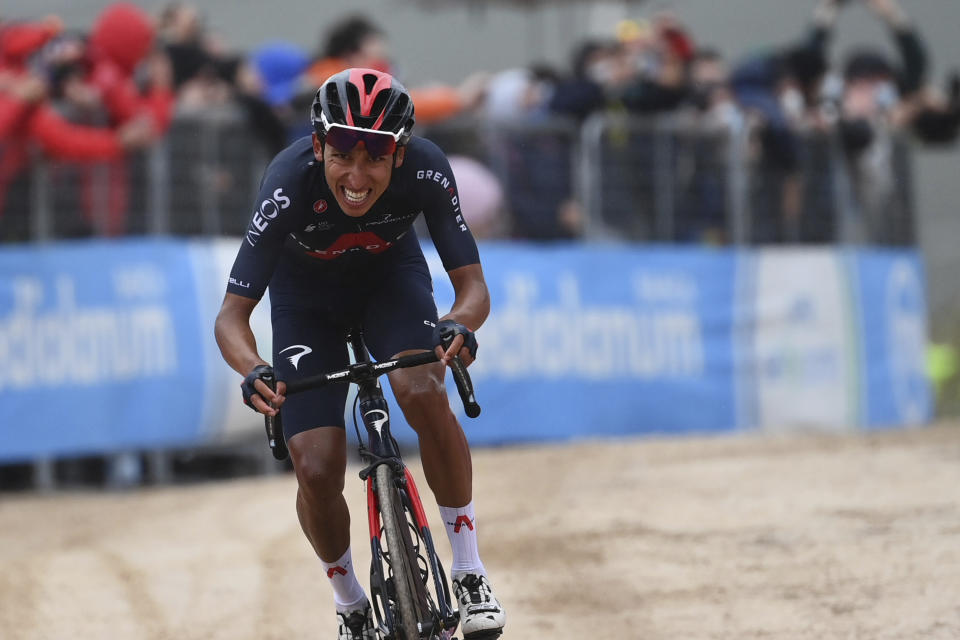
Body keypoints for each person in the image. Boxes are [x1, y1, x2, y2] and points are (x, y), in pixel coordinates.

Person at [213, 68, 506, 640]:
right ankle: (349, 601)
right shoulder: (287, 182)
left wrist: (457, 326)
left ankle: (469, 570)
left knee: (421, 388)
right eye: (343, 154)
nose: (356, 175)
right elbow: (231, 317)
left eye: (375, 158)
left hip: (390, 284)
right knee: (317, 465)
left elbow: (473, 288)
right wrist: (255, 370)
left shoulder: (426, 167)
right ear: (318, 145)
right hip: (306, 305)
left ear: (399, 156)